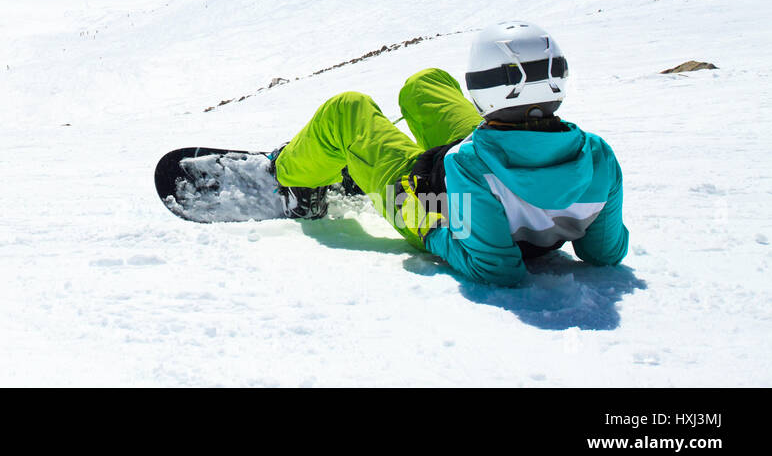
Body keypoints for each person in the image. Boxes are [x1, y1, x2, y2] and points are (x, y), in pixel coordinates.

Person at [268, 21, 629, 286]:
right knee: (427, 83)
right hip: (487, 159)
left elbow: (494, 267)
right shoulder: (599, 157)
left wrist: (432, 230)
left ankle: (291, 177)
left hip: (427, 201)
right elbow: (604, 253)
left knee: (347, 109)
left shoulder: (468, 165)